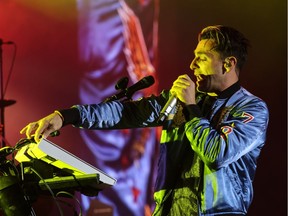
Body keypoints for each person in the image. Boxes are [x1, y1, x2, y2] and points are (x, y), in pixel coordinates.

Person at [20, 25, 269, 215]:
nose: (192, 64)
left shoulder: (252, 109)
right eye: (194, 56)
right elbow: (125, 113)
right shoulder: (181, 100)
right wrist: (65, 116)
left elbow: (216, 153)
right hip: (169, 210)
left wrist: (191, 107)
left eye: (202, 58)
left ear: (228, 64)